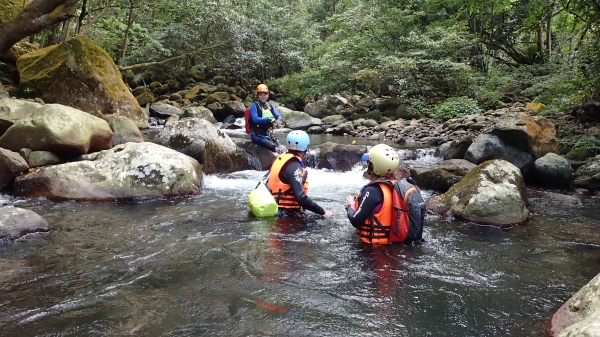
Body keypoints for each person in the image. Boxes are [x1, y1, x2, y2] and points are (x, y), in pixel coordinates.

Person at [344, 144, 402, 244]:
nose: (368, 166)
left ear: (374, 167)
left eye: (369, 163)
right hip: (394, 245)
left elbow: (355, 221)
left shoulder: (373, 191)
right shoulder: (399, 186)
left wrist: (350, 206)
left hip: (374, 250)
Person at [267, 130, 334, 218]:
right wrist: (323, 212)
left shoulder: (282, 158)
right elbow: (301, 197)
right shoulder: (294, 165)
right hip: (285, 215)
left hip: (275, 210)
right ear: (305, 147)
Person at [248, 84, 283, 152]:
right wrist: (268, 119)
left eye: (265, 94)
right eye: (261, 94)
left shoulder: (270, 105)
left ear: (268, 95)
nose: (263, 96)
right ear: (258, 96)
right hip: (256, 134)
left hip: (267, 133)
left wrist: (279, 120)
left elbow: (278, 116)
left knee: (279, 146)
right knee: (273, 147)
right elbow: (255, 120)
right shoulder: (254, 105)